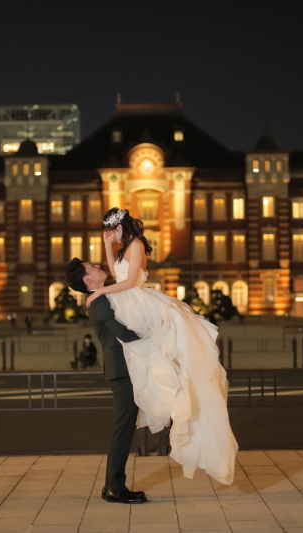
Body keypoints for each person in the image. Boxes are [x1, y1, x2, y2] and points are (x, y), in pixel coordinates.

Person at [84, 207, 238, 485]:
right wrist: (107, 247)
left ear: (121, 227)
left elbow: (129, 281)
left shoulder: (136, 244)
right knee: (143, 355)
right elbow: (116, 274)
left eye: (112, 232)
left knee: (151, 349)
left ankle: (173, 395)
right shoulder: (124, 247)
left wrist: (101, 291)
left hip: (137, 301)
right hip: (128, 301)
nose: (111, 237)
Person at [66, 258, 147, 504]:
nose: (98, 266)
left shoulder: (102, 296)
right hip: (121, 373)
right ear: (87, 279)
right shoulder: (98, 302)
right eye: (92, 267)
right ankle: (113, 487)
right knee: (123, 429)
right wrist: (158, 333)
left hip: (126, 369)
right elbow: (125, 334)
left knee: (124, 427)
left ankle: (114, 485)